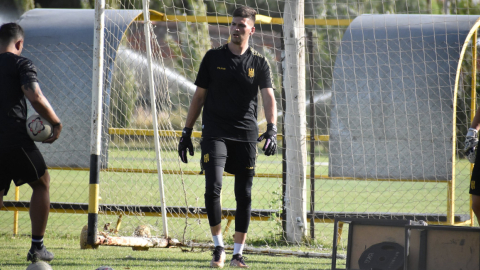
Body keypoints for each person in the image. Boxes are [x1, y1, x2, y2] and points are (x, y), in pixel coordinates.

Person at [178, 6, 277, 268]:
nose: (235, 29)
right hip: (215, 133)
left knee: (243, 194)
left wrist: (272, 129)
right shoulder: (212, 57)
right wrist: (186, 132)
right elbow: (199, 96)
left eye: (241, 25)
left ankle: (237, 254)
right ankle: (218, 248)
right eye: (232, 24)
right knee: (213, 187)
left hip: (246, 135)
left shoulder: (259, 62)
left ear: (251, 30)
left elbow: (268, 97)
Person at [0, 23, 62, 263]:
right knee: (42, 183)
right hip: (14, 137)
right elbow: (34, 96)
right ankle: (37, 248)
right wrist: (55, 122)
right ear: (19, 44)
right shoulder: (21, 63)